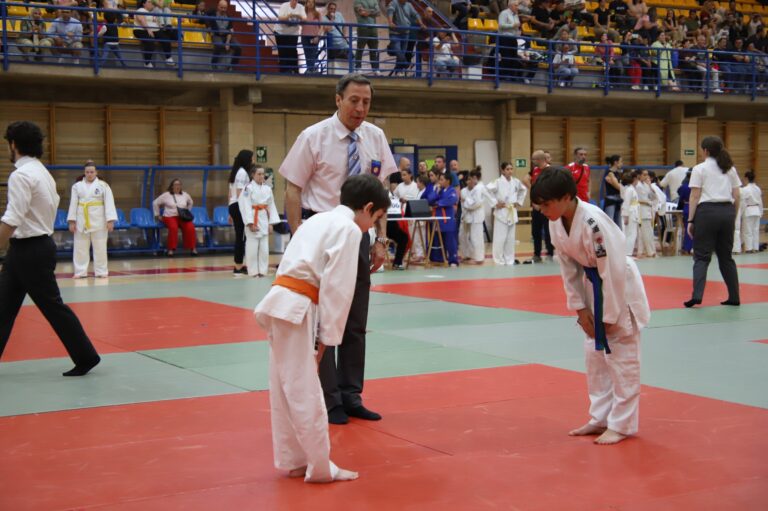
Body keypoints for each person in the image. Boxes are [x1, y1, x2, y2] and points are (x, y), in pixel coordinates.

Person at [254, 174, 389, 483]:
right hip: (300, 307)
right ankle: (320, 466)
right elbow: (337, 290)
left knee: (285, 388)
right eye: (377, 218)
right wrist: (325, 339)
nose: (372, 226)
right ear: (368, 207)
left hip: (279, 301)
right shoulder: (350, 230)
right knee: (306, 390)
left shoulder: (317, 220)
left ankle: (295, 459)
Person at [279, 73, 398, 425]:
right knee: (322, 322)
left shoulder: (375, 137)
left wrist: (380, 240)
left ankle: (351, 395)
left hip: (359, 235)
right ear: (337, 100)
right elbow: (293, 189)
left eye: (366, 102)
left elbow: (381, 194)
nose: (360, 108)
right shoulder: (313, 136)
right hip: (322, 234)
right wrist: (299, 233)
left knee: (355, 320)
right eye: (354, 101)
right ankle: (327, 399)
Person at [530, 167, 650, 445]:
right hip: (591, 285)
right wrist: (580, 309)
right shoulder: (556, 220)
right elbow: (567, 267)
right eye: (540, 205)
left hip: (618, 286)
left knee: (622, 357)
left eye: (546, 204)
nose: (542, 210)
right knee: (594, 358)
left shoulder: (593, 222)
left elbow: (613, 270)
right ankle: (600, 418)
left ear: (566, 197)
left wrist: (610, 315)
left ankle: (622, 424)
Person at [0, 121, 101, 376]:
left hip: (29, 249)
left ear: (13, 144)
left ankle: (86, 355)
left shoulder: (21, 175)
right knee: (3, 306)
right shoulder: (42, 172)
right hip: (31, 247)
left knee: (52, 307)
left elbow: (13, 218)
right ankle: (86, 355)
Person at [684, 136, 742, 308]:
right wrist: (733, 214)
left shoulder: (699, 169)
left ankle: (697, 295)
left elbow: (695, 196)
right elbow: (737, 195)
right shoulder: (729, 168)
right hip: (727, 212)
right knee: (726, 257)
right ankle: (734, 296)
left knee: (701, 257)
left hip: (707, 212)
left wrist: (691, 220)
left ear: (706, 151)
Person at [66, 160, 117, 279]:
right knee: (80, 247)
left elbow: (109, 203)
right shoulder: (77, 186)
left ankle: (101, 271)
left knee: (100, 247)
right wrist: (72, 221)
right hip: (81, 219)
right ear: (84, 173)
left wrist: (110, 221)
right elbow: (73, 204)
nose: (89, 174)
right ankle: (80, 272)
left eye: (92, 172)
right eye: (87, 172)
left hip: (99, 220)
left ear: (96, 172)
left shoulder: (103, 185)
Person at [238, 165, 279, 277]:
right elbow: (244, 206)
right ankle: (253, 272)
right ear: (253, 175)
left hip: (264, 218)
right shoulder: (248, 188)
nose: (262, 176)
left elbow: (271, 206)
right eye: (259, 174)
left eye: (263, 174)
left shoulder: (267, 189)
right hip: (253, 217)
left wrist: (271, 223)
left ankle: (262, 271)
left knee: (264, 250)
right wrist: (250, 223)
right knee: (252, 248)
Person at [488, 161, 527, 265]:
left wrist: (518, 202)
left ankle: (509, 260)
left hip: (512, 210)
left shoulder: (516, 181)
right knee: (500, 238)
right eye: (507, 169)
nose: (510, 171)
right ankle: (498, 260)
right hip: (501, 211)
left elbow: (524, 190)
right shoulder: (497, 182)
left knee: (510, 239)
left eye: (511, 169)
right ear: (502, 170)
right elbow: (486, 190)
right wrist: (495, 203)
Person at [523, 150, 554, 263]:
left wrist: (543, 203)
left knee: (548, 231)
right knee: (535, 231)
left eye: (534, 159)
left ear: (540, 159)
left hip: (547, 206)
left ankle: (550, 253)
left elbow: (552, 188)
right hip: (536, 206)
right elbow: (525, 179)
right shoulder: (535, 170)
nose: (533, 161)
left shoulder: (550, 171)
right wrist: (533, 192)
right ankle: (537, 254)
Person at [153, 178, 197, 257]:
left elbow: (191, 202)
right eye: (176, 184)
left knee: (190, 227)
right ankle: (171, 249)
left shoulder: (185, 194)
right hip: (170, 216)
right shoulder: (166, 195)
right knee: (173, 228)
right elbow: (155, 203)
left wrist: (187, 211)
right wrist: (157, 214)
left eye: (179, 184)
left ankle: (192, 248)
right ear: (172, 186)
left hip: (182, 217)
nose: (178, 186)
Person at [426, 171, 460, 266]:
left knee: (450, 242)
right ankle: (440, 259)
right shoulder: (439, 190)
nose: (439, 182)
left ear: (448, 181)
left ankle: (453, 260)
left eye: (442, 180)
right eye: (439, 180)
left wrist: (438, 203)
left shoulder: (452, 190)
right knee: (438, 241)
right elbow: (430, 200)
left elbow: (452, 200)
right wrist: (436, 191)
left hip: (447, 220)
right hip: (438, 220)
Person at [228, 149, 253, 275]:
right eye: (251, 158)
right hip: (238, 205)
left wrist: (230, 213)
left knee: (240, 236)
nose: (253, 160)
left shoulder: (235, 172)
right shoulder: (242, 173)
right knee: (241, 237)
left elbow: (229, 194)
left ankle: (239, 265)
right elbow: (239, 193)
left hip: (233, 206)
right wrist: (244, 210)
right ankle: (238, 266)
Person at [459, 169, 486, 264]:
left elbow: (475, 204)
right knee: (462, 236)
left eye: (472, 179)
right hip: (465, 216)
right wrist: (468, 201)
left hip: (477, 217)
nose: (470, 181)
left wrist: (466, 200)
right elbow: (465, 205)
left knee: (476, 237)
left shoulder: (479, 189)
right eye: (468, 179)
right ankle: (467, 255)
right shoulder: (463, 191)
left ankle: (479, 259)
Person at [207, 0, 242, 71]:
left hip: (227, 36)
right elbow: (217, 32)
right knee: (219, 45)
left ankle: (232, 66)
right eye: (221, 7)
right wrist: (226, 32)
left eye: (225, 8)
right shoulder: (213, 16)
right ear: (218, 7)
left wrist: (227, 42)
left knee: (238, 47)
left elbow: (230, 31)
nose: (223, 9)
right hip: (217, 36)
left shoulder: (228, 17)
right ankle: (213, 64)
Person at [275, 0, 306, 74]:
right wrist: (289, 16)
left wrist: (298, 16)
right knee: (283, 52)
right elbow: (280, 18)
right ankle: (284, 71)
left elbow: (304, 19)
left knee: (292, 51)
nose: (294, 1)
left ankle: (294, 71)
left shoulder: (301, 7)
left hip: (293, 33)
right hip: (280, 32)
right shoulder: (284, 5)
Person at [354, 0, 382, 74]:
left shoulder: (374, 1)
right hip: (363, 28)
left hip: (373, 29)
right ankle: (358, 67)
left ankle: (375, 68)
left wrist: (367, 12)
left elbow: (378, 12)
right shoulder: (357, 1)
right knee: (360, 48)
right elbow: (362, 12)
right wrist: (373, 11)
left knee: (374, 50)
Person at [635, 169, 657, 258]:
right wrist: (647, 202)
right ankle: (650, 252)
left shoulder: (646, 185)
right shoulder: (637, 186)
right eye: (644, 175)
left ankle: (643, 251)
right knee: (646, 232)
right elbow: (637, 200)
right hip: (641, 210)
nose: (646, 176)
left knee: (647, 232)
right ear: (639, 175)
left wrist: (650, 186)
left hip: (648, 210)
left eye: (647, 175)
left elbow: (653, 197)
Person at [740, 171, 763, 253]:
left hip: (749, 210)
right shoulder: (758, 188)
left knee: (748, 231)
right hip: (757, 210)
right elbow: (760, 201)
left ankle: (749, 248)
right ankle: (755, 248)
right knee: (755, 230)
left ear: (746, 178)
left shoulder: (745, 189)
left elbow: (743, 202)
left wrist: (740, 213)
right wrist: (761, 212)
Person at [620, 170, 640, 256]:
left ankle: (628, 253)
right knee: (630, 234)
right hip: (630, 213)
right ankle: (627, 254)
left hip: (633, 213)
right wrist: (626, 216)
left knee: (632, 234)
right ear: (635, 179)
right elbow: (626, 203)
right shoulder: (629, 190)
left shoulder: (632, 189)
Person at [602, 155, 623, 228]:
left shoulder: (618, 173)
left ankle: (619, 239)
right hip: (611, 200)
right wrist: (621, 186)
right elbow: (618, 186)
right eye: (621, 162)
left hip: (618, 199)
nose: (622, 164)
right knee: (609, 221)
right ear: (615, 162)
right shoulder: (609, 173)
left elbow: (621, 186)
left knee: (619, 223)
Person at [677, 170, 694, 255]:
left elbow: (680, 195)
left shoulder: (684, 186)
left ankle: (687, 248)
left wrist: (679, 207)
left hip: (687, 206)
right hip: (698, 207)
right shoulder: (698, 185)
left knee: (688, 228)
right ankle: (693, 248)